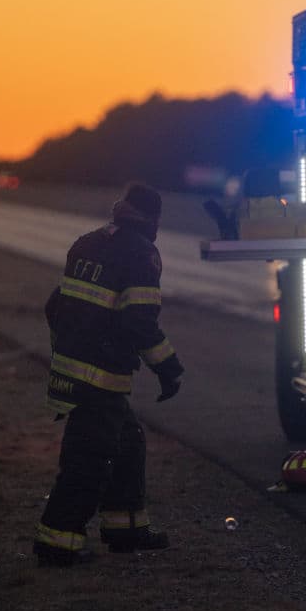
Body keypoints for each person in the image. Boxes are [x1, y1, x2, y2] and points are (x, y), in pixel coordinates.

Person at [33, 182, 185, 567]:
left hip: (75, 368)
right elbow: (139, 323)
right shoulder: (142, 254)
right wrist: (168, 367)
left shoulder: (87, 242)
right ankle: (58, 541)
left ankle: (126, 529)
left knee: (128, 442)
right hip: (100, 375)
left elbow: (56, 304)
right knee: (90, 457)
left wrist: (65, 349)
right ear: (153, 220)